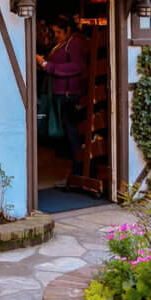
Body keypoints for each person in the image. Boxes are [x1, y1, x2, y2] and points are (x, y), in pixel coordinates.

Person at [36, 16, 89, 180]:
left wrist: (47, 66)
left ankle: (78, 169)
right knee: (68, 132)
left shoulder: (75, 43)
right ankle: (74, 168)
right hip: (60, 92)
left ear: (68, 30)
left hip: (69, 94)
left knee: (72, 132)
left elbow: (78, 66)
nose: (56, 35)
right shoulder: (63, 43)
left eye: (59, 32)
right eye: (54, 32)